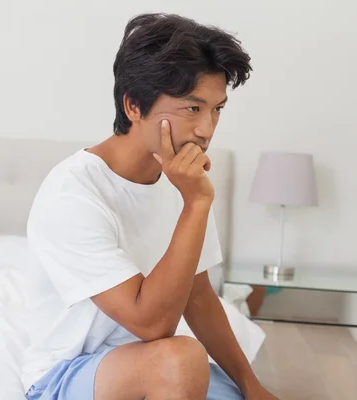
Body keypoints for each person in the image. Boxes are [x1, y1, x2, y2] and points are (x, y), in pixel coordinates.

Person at [21, 13, 278, 400]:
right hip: (69, 372)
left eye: (217, 109)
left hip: (152, 360)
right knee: (180, 359)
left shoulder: (181, 179)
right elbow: (152, 324)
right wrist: (196, 204)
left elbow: (198, 295)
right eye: (193, 109)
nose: (207, 129)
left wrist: (250, 384)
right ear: (134, 107)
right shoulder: (72, 194)